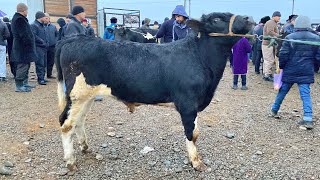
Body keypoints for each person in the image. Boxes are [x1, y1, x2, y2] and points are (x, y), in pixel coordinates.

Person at [271, 15, 320, 130]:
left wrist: (281, 67)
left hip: (290, 69)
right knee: (305, 95)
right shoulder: (316, 38)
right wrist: (314, 66)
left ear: (297, 24)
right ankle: (308, 118)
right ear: (308, 25)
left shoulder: (290, 37)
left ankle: (274, 110)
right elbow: (318, 57)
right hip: (306, 70)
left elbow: (283, 54)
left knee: (283, 91)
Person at [11, 3, 37, 92]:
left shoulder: (20, 19)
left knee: (26, 65)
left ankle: (24, 83)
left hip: (23, 47)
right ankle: (19, 86)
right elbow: (24, 35)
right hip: (22, 48)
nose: (27, 12)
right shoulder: (19, 19)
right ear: (23, 10)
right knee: (22, 66)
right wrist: (29, 43)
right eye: (27, 10)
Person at [262, 11, 281, 81]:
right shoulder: (271, 22)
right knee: (269, 60)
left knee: (267, 60)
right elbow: (270, 32)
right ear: (274, 16)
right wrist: (279, 36)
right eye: (278, 16)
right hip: (268, 44)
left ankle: (266, 73)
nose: (279, 18)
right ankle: (267, 74)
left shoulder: (273, 23)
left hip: (269, 44)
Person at [31, 11, 49, 85]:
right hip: (38, 47)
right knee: (40, 63)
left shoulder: (42, 25)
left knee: (44, 63)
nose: (46, 19)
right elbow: (34, 36)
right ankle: (40, 78)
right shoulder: (34, 25)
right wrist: (42, 41)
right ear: (40, 17)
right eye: (45, 17)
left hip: (44, 47)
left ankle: (42, 77)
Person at [44, 13, 58, 79]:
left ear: (49, 19)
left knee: (51, 61)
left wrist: (55, 41)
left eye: (47, 18)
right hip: (43, 47)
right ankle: (42, 76)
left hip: (52, 46)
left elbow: (57, 35)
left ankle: (49, 74)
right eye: (44, 17)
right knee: (43, 62)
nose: (46, 19)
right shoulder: (41, 26)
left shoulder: (53, 27)